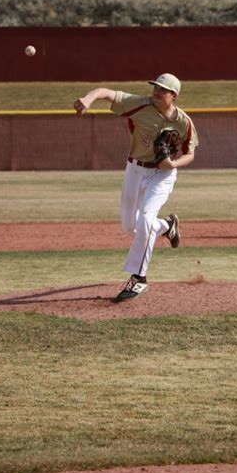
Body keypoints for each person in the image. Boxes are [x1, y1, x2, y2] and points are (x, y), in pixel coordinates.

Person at [73, 73, 199, 302]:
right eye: (155, 88)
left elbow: (190, 153)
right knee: (130, 226)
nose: (156, 92)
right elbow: (105, 92)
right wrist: (88, 99)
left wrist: (173, 163)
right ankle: (167, 225)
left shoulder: (183, 121)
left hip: (162, 174)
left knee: (145, 220)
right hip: (134, 169)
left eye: (162, 90)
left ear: (174, 95)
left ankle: (139, 278)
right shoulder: (139, 105)